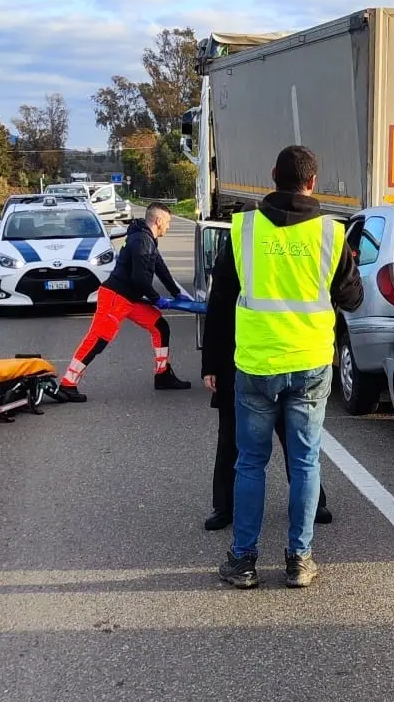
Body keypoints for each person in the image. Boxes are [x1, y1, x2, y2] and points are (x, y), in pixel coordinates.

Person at [208, 146, 362, 589]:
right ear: (313, 182)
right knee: (306, 460)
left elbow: (220, 303)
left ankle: (243, 561)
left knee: (251, 463)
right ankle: (299, 560)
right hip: (311, 364)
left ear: (272, 176)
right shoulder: (333, 236)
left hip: (255, 365)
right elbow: (353, 298)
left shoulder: (243, 231)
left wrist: (214, 363)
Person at [200, 262, 333, 531]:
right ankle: (224, 506)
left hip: (287, 354)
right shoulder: (241, 235)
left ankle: (314, 502)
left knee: (294, 439)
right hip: (238, 356)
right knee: (231, 438)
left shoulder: (279, 238)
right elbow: (218, 304)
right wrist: (210, 364)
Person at [54, 203, 192, 402]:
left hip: (131, 298)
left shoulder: (148, 239)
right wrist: (156, 299)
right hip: (115, 298)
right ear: (158, 221)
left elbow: (160, 267)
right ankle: (68, 384)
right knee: (97, 341)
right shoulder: (142, 241)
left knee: (160, 327)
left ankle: (163, 375)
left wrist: (177, 293)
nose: (169, 227)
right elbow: (139, 279)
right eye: (168, 223)